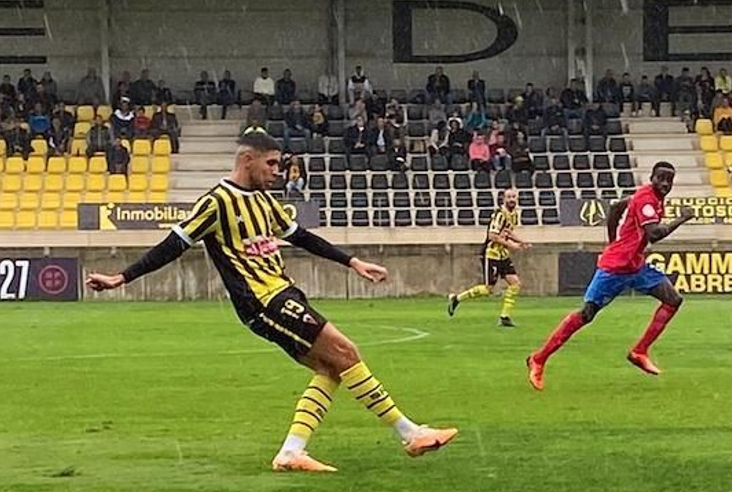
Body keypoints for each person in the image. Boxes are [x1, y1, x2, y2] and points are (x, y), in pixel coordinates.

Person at [84, 131, 458, 472]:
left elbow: (303, 237)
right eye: (272, 163)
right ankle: (409, 432)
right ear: (248, 159)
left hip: (283, 292)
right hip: (263, 301)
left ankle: (292, 451)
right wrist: (122, 277)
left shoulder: (264, 201)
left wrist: (353, 261)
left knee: (332, 368)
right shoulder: (217, 202)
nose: (278, 171)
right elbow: (174, 245)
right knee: (347, 351)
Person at [526, 163, 695, 390]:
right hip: (615, 268)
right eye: (660, 179)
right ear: (651, 177)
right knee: (586, 314)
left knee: (673, 299)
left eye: (669, 180)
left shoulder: (648, 196)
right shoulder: (646, 200)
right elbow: (654, 234)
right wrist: (681, 219)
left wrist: (612, 240)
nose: (665, 184)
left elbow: (616, 207)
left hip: (635, 266)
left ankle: (639, 351)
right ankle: (539, 358)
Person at [447, 189, 528, 328]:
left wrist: (520, 242)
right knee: (488, 289)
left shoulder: (514, 214)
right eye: (509, 197)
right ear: (503, 199)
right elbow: (493, 236)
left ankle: (505, 317)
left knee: (515, 284)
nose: (512, 199)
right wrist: (512, 245)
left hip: (503, 255)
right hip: (491, 254)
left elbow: (507, 231)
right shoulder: (499, 215)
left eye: (514, 197)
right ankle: (457, 298)